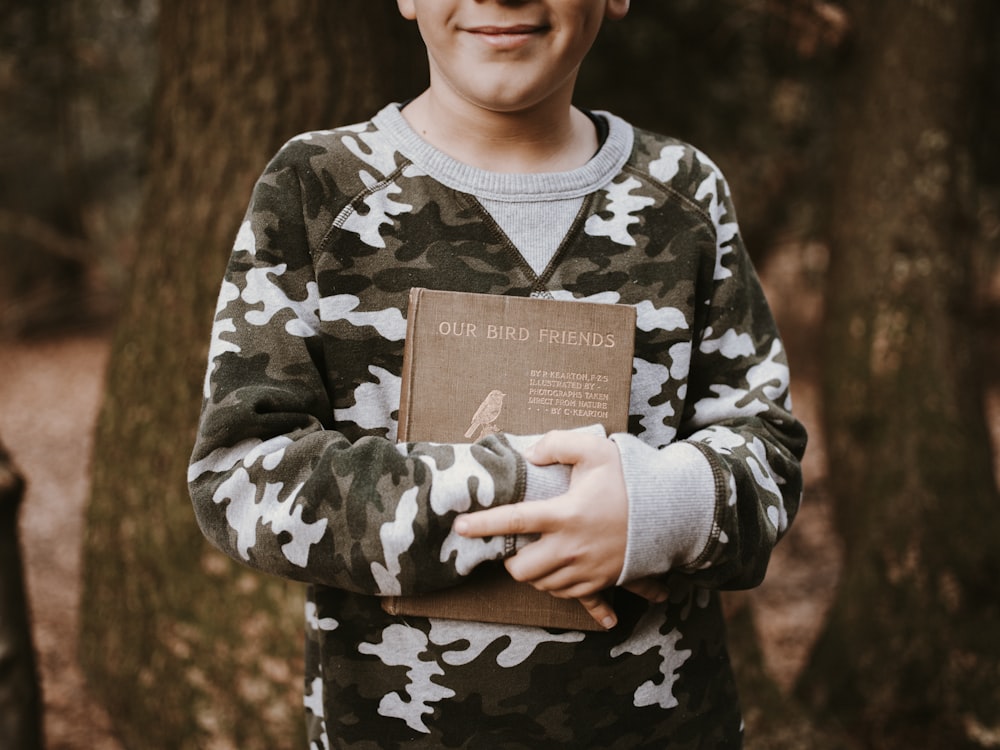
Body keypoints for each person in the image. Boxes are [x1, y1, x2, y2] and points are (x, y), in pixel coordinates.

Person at [188, 0, 807, 747]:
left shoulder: (686, 195)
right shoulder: (316, 190)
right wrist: (527, 493)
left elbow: (766, 449)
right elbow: (241, 472)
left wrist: (660, 507)